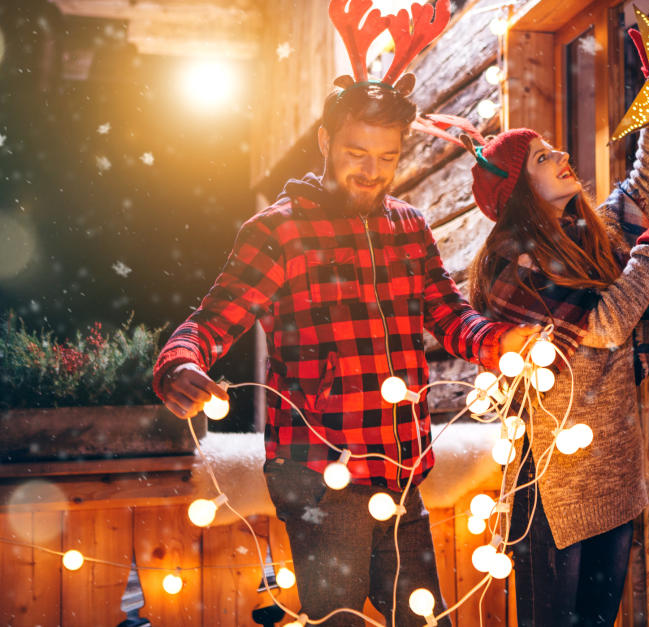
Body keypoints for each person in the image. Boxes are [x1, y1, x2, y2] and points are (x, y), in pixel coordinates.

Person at [152, 40, 539, 627]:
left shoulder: (408, 226)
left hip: (402, 464)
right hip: (320, 473)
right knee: (337, 621)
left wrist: (499, 343)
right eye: (357, 152)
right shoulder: (278, 233)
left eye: (387, 157)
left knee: (423, 618)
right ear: (326, 143)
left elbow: (449, 312)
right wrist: (180, 362)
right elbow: (213, 320)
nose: (372, 170)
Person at [465, 123, 649, 626]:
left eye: (553, 149)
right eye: (542, 157)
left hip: (613, 466)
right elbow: (607, 325)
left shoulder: (595, 235)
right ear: (517, 190)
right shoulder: (512, 265)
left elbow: (648, 182)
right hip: (551, 485)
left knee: (597, 622)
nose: (561, 154)